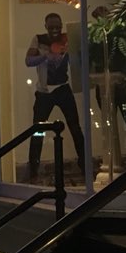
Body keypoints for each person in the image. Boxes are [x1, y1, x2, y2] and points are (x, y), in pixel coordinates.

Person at [25, 12, 85, 183]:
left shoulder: (68, 38)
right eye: (51, 27)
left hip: (63, 88)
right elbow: (28, 61)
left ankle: (85, 167)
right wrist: (45, 56)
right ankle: (33, 171)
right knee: (37, 131)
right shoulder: (38, 39)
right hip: (44, 92)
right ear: (46, 26)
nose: (55, 30)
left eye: (58, 27)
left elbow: (80, 57)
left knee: (75, 128)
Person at [89, 5, 126, 159]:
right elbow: (93, 58)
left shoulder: (121, 35)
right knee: (108, 123)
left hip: (122, 84)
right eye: (98, 17)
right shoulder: (96, 36)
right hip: (104, 84)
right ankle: (112, 156)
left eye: (104, 15)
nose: (101, 19)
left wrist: (124, 75)